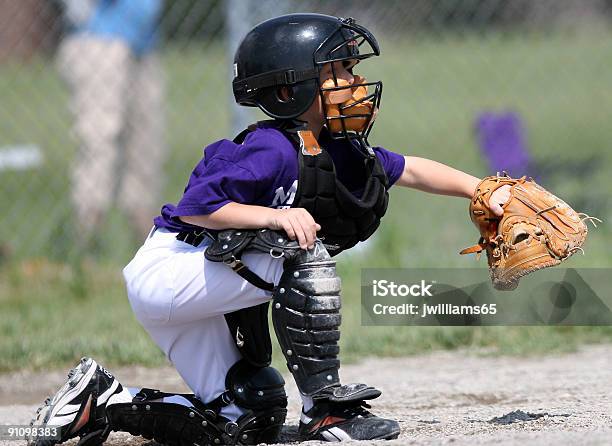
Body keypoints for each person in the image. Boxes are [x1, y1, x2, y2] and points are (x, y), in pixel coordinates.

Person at [30, 13, 511, 445]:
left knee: (246, 419)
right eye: (338, 74)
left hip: (209, 280)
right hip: (172, 270)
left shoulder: (339, 149)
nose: (356, 82)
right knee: (301, 249)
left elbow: (410, 170)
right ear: (289, 92)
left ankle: (102, 400)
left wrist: (485, 191)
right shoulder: (271, 149)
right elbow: (198, 207)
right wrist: (272, 215)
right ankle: (328, 412)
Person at [57, 0, 166, 244]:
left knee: (145, 147)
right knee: (100, 142)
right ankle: (85, 241)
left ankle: (149, 243)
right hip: (98, 37)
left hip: (143, 40)